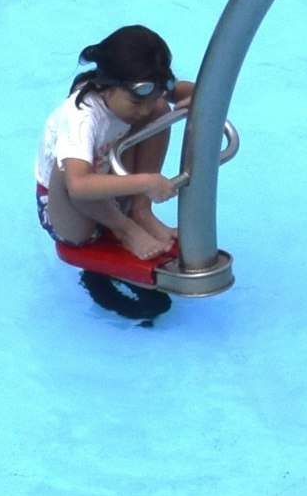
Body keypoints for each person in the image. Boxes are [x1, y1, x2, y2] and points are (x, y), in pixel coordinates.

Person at [36, 24, 197, 326]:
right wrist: (146, 182)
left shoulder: (143, 92)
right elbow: (79, 185)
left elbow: (194, 91)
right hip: (66, 211)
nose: (142, 110)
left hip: (108, 183)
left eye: (150, 97)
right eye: (137, 102)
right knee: (74, 171)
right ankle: (125, 229)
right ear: (105, 85)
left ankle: (140, 212)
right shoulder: (82, 116)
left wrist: (196, 100)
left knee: (162, 110)